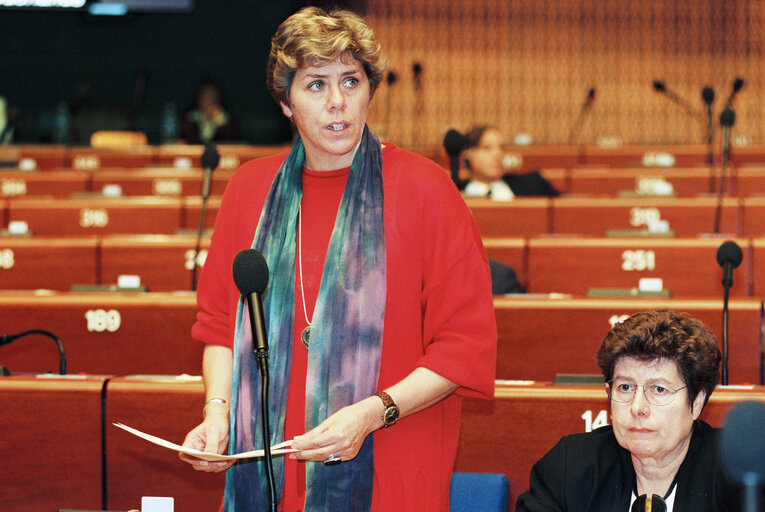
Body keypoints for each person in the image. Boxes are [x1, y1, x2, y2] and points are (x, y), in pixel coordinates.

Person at [179, 7, 497, 512]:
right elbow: (221, 326)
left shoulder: (425, 189)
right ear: (286, 102)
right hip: (270, 466)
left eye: (351, 81)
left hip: (390, 454)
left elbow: (463, 347)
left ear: (370, 89)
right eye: (315, 85)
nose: (337, 102)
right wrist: (218, 415)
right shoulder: (248, 191)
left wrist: (372, 414)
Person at [515, 309, 740, 511]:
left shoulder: (738, 475)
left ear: (697, 402)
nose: (637, 408)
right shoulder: (570, 467)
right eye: (625, 387)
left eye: (659, 389)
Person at [459, 125, 560, 200]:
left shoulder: (534, 184)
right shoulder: (456, 194)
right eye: (487, 148)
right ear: (468, 154)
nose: (498, 154)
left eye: (501, 147)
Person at [180, 78, 240, 144]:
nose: (209, 100)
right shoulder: (189, 120)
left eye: (212, 96)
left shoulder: (228, 122)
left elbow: (234, 144)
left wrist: (220, 122)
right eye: (205, 95)